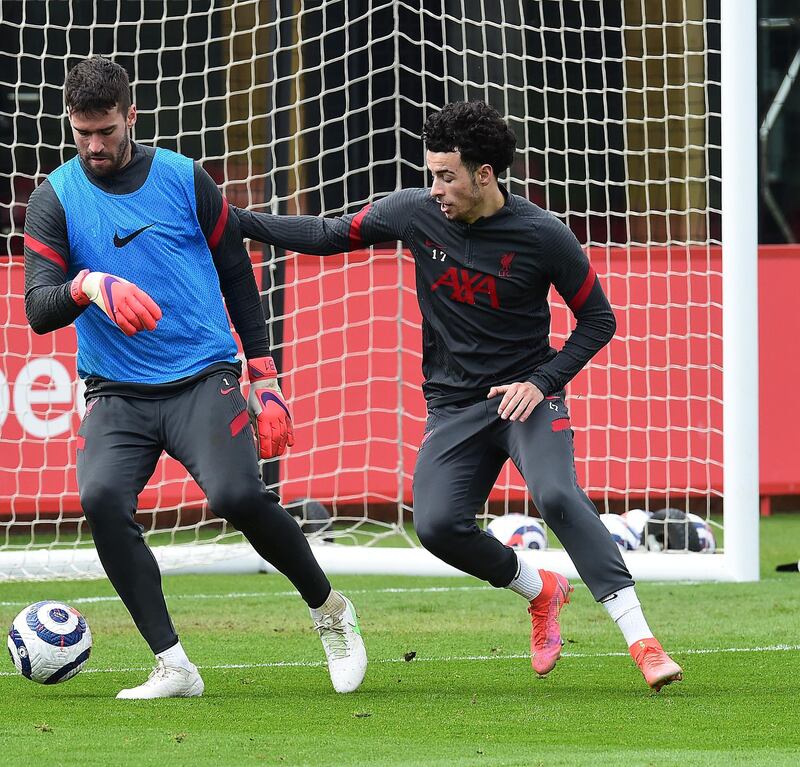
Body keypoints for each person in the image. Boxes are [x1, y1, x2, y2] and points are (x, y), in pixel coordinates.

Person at [233, 101, 682, 691]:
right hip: (453, 405)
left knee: (557, 495)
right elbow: (324, 233)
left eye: (447, 176)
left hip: (528, 397)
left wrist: (541, 382)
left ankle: (642, 641)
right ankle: (540, 589)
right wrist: (232, 218)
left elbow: (598, 321)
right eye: (432, 175)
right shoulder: (415, 214)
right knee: (439, 526)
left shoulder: (545, 236)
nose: (436, 188)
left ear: (485, 174)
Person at [23, 56, 366, 699]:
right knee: (100, 499)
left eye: (106, 130)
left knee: (237, 496)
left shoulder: (184, 179)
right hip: (116, 392)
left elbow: (238, 272)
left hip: (202, 376)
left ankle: (331, 612)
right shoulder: (55, 198)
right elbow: (39, 309)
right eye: (82, 132)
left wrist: (264, 377)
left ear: (131, 116)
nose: (95, 145)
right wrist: (88, 284)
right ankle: (174, 663)